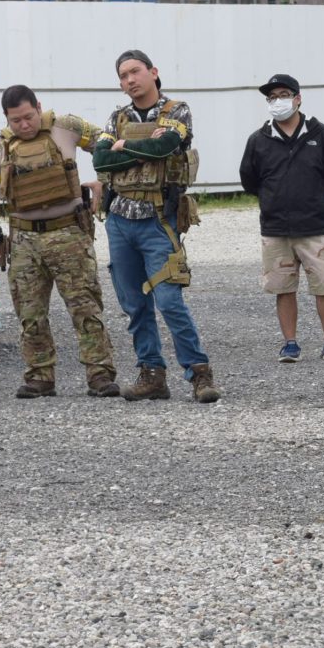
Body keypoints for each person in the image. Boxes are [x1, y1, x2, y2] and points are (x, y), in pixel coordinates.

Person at [0, 85, 119, 399]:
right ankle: (40, 376)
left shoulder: (67, 127)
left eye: (29, 117)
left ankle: (100, 374)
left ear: (38, 107)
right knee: (30, 315)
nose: (24, 125)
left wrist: (104, 183)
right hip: (24, 240)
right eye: (16, 120)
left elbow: (109, 146)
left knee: (85, 308)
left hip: (69, 234)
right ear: (6, 118)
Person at [94, 49, 221, 402]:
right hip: (120, 221)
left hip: (158, 221)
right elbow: (101, 159)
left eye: (135, 71)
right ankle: (152, 375)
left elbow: (166, 146)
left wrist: (124, 147)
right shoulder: (117, 117)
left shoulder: (177, 111)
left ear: (153, 72)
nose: (130, 80)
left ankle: (199, 373)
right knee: (134, 304)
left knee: (169, 301)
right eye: (123, 76)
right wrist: (140, 147)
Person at [238, 73, 324, 362]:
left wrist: (311, 196)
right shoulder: (258, 140)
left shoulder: (321, 135)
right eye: (272, 97)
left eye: (284, 95)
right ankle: (290, 343)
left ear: (298, 98)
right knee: (283, 288)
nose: (278, 101)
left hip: (314, 225)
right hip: (276, 228)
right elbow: (249, 179)